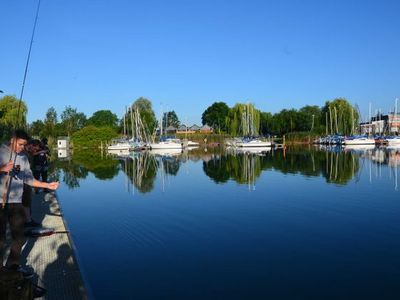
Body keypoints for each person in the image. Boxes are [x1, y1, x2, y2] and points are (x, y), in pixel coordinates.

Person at [0, 129, 59, 277]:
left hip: (16, 203)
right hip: (0, 202)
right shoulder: (1, 152)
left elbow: (29, 179)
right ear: (12, 139)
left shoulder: (24, 158)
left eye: (24, 145)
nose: (22, 148)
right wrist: (2, 169)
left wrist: (47, 185)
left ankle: (13, 266)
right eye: (20, 144)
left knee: (19, 237)